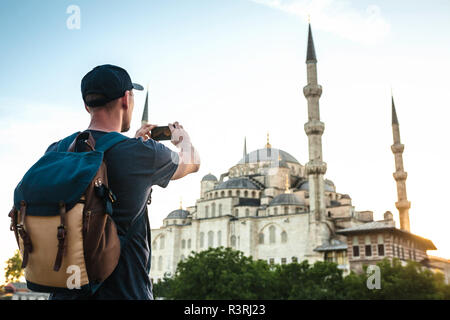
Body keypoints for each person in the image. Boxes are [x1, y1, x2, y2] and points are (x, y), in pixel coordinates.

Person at [48, 64, 200, 300]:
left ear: (87, 105)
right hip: (125, 292)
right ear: (126, 99)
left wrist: (136, 145)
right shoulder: (143, 154)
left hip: (64, 293)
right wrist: (182, 141)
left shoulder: (56, 151)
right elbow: (192, 163)